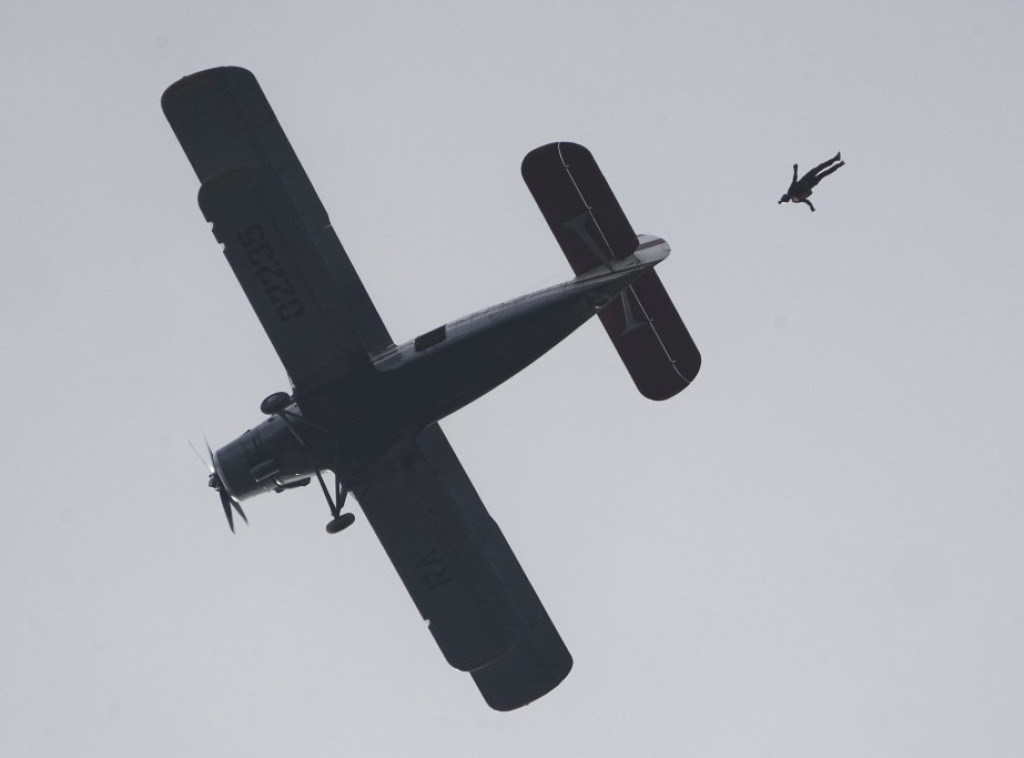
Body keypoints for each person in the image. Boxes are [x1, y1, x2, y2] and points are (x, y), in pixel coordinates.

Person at [778, 152, 844, 211]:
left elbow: (794, 179)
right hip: (810, 183)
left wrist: (795, 169)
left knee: (821, 169)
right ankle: (838, 163)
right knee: (823, 172)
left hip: (807, 179)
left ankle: (836, 159)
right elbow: (806, 200)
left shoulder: (791, 193)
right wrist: (811, 206)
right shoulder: (795, 198)